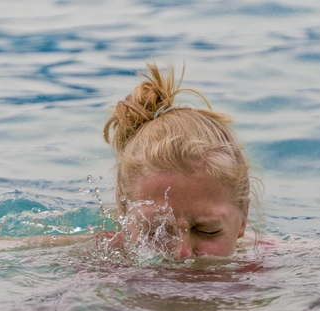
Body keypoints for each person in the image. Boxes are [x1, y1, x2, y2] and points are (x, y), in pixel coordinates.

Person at [101, 62, 260, 259]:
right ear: (124, 215)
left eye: (207, 231)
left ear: (243, 217)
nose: (182, 254)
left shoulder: (274, 264)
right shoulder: (101, 263)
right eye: (155, 231)